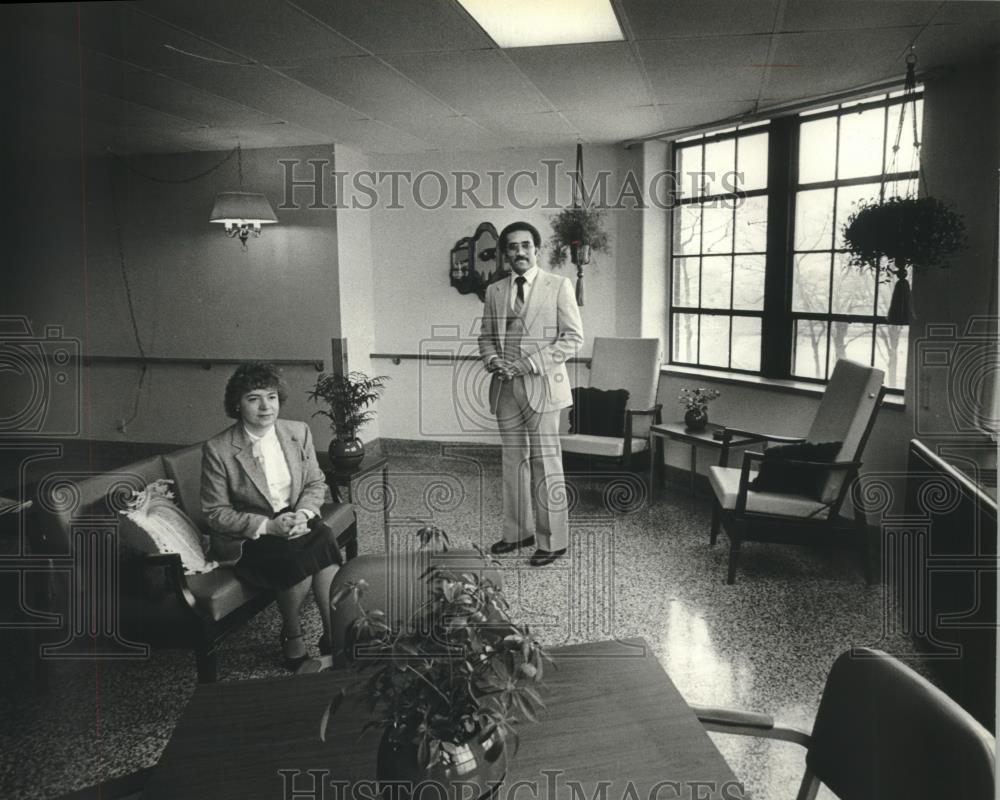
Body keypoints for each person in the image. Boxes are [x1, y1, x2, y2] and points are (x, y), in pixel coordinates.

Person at [201, 362, 343, 670]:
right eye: (254, 398)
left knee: (325, 539)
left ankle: (333, 636)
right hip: (249, 535)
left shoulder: (297, 431)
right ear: (237, 404)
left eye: (272, 396)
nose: (266, 406)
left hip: (295, 518)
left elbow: (314, 482)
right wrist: (267, 525)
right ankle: (292, 635)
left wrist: (305, 512)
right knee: (293, 557)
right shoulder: (218, 449)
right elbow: (215, 513)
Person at [478, 222, 584, 567]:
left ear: (536, 249)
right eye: (511, 247)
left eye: (525, 245)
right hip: (504, 388)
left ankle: (553, 541)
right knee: (513, 461)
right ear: (505, 253)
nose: (519, 252)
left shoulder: (559, 285)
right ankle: (517, 533)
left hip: (542, 386)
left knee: (545, 462)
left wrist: (529, 364)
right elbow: (485, 337)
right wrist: (493, 359)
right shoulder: (494, 291)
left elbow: (572, 338)